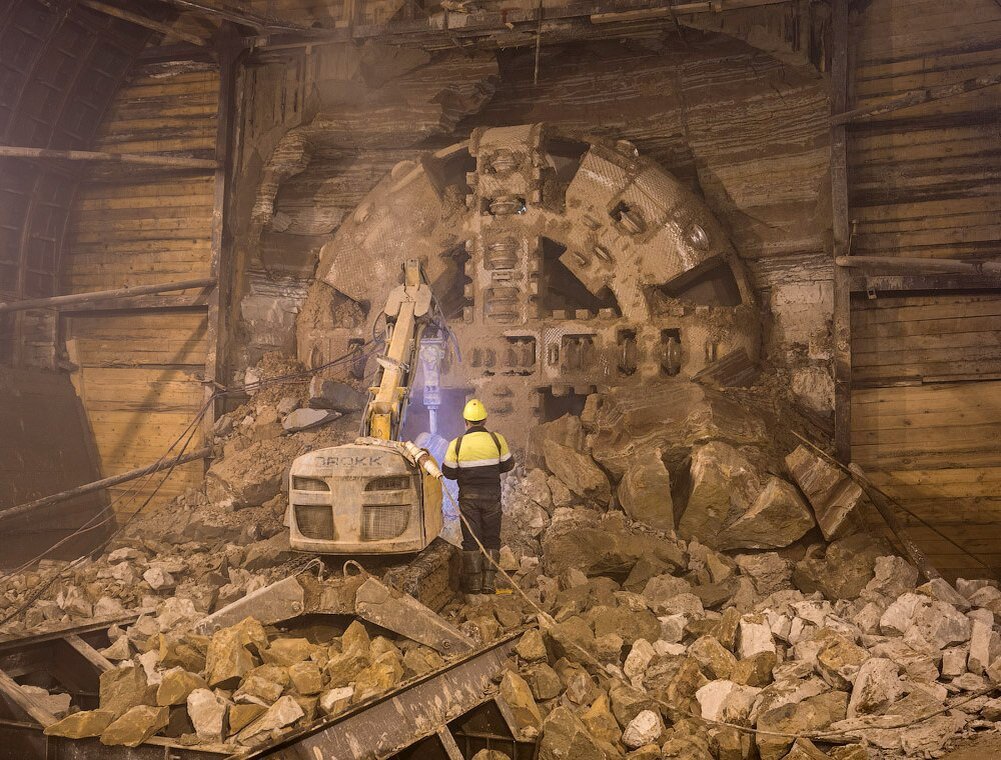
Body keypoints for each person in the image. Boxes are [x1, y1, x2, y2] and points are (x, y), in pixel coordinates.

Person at [441, 399, 514, 594]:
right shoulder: (497, 440)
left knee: (471, 540)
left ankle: (473, 586)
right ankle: (488, 584)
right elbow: (508, 466)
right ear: (485, 420)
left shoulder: (457, 444)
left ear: (465, 421)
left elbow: (448, 473)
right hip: (492, 498)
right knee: (492, 539)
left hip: (469, 500)